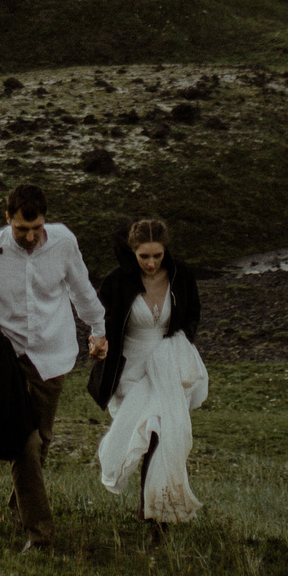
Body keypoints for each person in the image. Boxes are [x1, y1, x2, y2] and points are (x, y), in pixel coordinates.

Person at [0, 183, 107, 550]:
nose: (30, 237)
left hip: (54, 353)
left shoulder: (64, 242)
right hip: (7, 358)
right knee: (26, 444)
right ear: (8, 219)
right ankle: (41, 533)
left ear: (45, 219)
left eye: (36, 229)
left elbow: (82, 290)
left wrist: (98, 331)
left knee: (42, 440)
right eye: (21, 229)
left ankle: (19, 504)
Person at [92, 217, 206, 544]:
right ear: (134, 251)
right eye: (144, 256)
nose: (152, 263)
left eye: (157, 255)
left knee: (162, 435)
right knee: (142, 437)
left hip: (167, 365)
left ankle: (156, 516)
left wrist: (180, 342)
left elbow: (193, 313)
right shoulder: (116, 282)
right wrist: (98, 345)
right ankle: (150, 507)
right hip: (130, 370)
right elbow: (101, 322)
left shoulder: (181, 275)